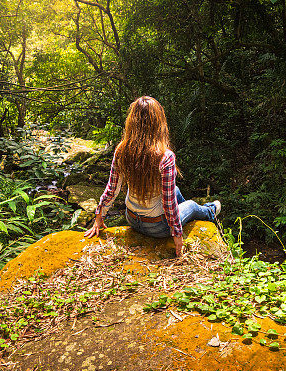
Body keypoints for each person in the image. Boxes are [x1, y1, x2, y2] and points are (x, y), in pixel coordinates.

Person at [84, 96, 220, 257]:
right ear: (158, 122)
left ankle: (185, 214)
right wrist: (177, 234)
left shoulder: (122, 149)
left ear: (132, 121)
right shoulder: (165, 156)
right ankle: (210, 211)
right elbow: (168, 204)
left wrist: (99, 217)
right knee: (190, 205)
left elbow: (112, 189)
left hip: (132, 219)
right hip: (159, 227)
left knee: (174, 190)